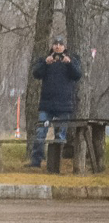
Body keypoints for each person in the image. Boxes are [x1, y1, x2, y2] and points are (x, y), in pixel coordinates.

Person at [27, 35, 83, 167]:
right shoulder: (46, 60)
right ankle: (36, 161)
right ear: (52, 46)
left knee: (60, 136)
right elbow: (36, 74)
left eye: (60, 44)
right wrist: (46, 63)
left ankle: (55, 164)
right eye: (55, 43)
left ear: (65, 47)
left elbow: (77, 75)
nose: (58, 46)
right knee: (40, 133)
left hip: (64, 105)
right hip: (46, 105)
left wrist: (68, 63)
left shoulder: (72, 60)